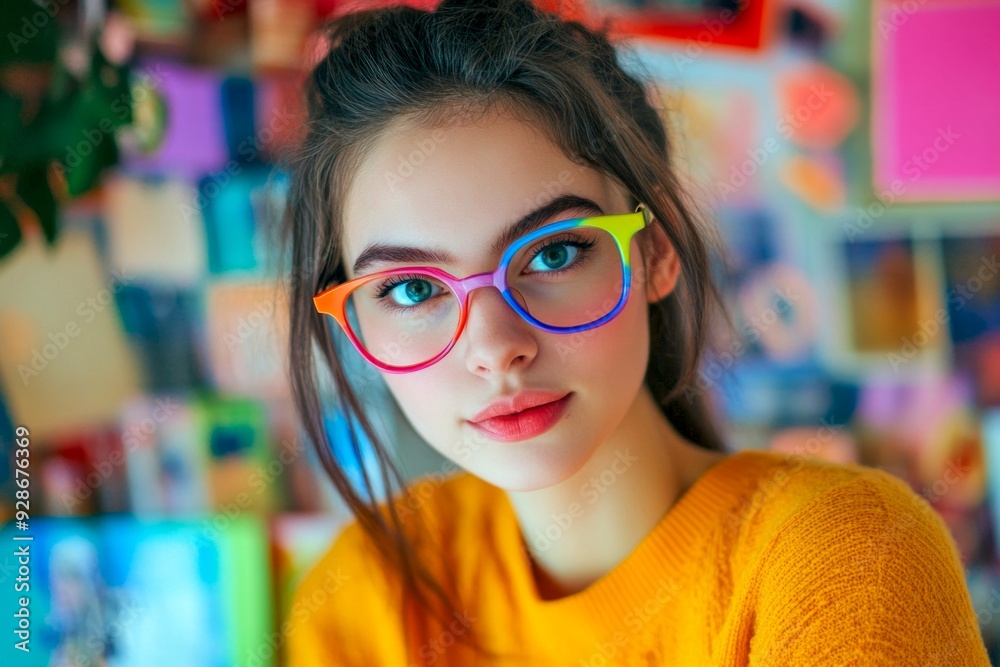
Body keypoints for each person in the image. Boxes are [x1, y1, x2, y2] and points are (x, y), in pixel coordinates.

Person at [279, 0, 991, 664]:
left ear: (655, 251)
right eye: (411, 290)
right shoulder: (365, 595)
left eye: (553, 253)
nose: (496, 348)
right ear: (348, 318)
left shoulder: (845, 555)